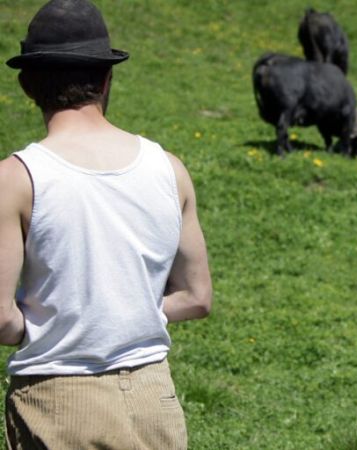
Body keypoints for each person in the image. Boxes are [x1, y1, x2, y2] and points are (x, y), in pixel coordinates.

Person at [0, 0, 212, 448]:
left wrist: (49, 325)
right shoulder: (169, 169)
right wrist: (128, 312)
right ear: (106, 79)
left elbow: (1, 320)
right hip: (155, 400)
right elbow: (197, 298)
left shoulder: (16, 179)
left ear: (26, 85)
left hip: (58, 402)